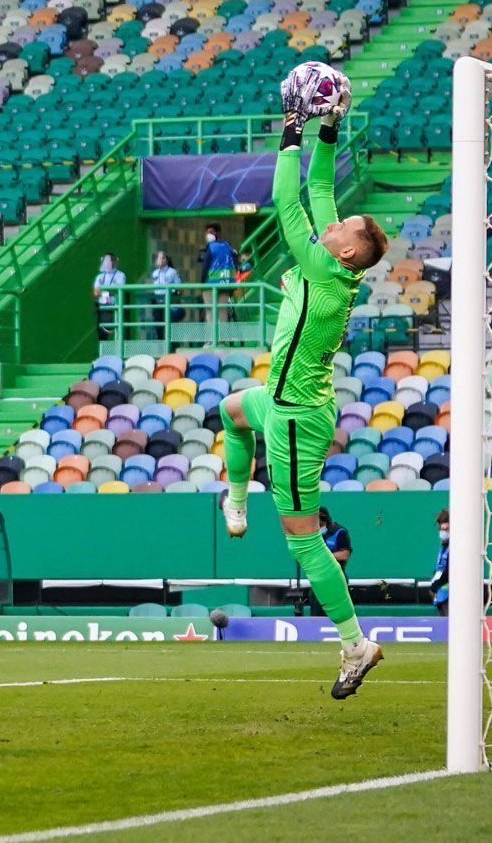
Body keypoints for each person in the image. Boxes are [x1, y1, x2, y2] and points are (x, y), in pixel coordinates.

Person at [217, 68, 387, 700]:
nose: (335, 222)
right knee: (231, 409)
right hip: (283, 400)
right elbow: (319, 185)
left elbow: (288, 202)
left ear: (345, 252)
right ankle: (237, 501)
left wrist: (290, 130)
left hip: (294, 419)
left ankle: (353, 643)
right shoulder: (334, 262)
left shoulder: (320, 264)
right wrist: (329, 131)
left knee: (303, 538)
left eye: (346, 226)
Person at [308, 506, 352, 617]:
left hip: (336, 577)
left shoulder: (340, 532)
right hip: (319, 578)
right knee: (315, 604)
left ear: (323, 519)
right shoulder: (312, 534)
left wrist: (324, 557)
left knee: (336, 609)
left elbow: (344, 554)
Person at [148, 249, 183, 335]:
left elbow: (180, 288)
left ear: (167, 260)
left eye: (162, 258)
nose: (160, 260)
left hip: (169, 301)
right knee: (158, 326)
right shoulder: (154, 273)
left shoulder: (172, 272)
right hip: (157, 302)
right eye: (158, 258)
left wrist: (175, 297)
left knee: (171, 327)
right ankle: (161, 346)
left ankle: (174, 346)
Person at [92, 253, 125, 341]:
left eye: (110, 261)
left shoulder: (120, 275)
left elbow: (117, 290)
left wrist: (103, 291)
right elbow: (96, 292)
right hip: (102, 306)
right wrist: (107, 292)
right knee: (102, 332)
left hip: (114, 306)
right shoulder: (100, 276)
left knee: (116, 330)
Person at [428, 509, 449, 617]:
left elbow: (449, 573)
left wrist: (435, 585)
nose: (443, 532)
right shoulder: (444, 549)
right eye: (442, 529)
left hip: (451, 596)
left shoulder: (455, 549)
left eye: (446, 529)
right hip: (441, 595)